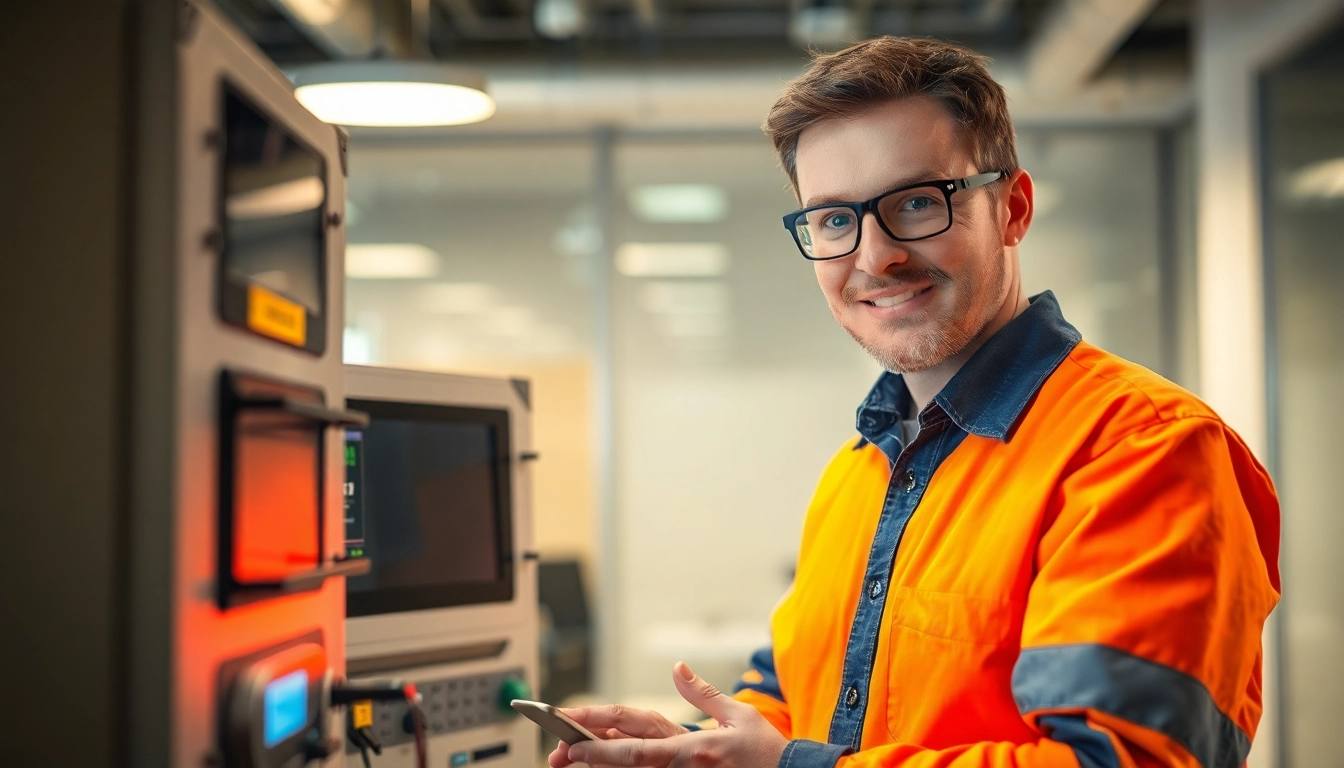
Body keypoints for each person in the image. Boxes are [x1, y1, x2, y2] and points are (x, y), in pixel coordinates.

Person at [549, 37, 1281, 768]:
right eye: (835, 220)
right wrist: (700, 752)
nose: (875, 257)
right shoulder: (858, 472)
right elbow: (797, 698)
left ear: (1013, 209)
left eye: (917, 202)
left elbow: (1119, 761)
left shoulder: (1143, 451)